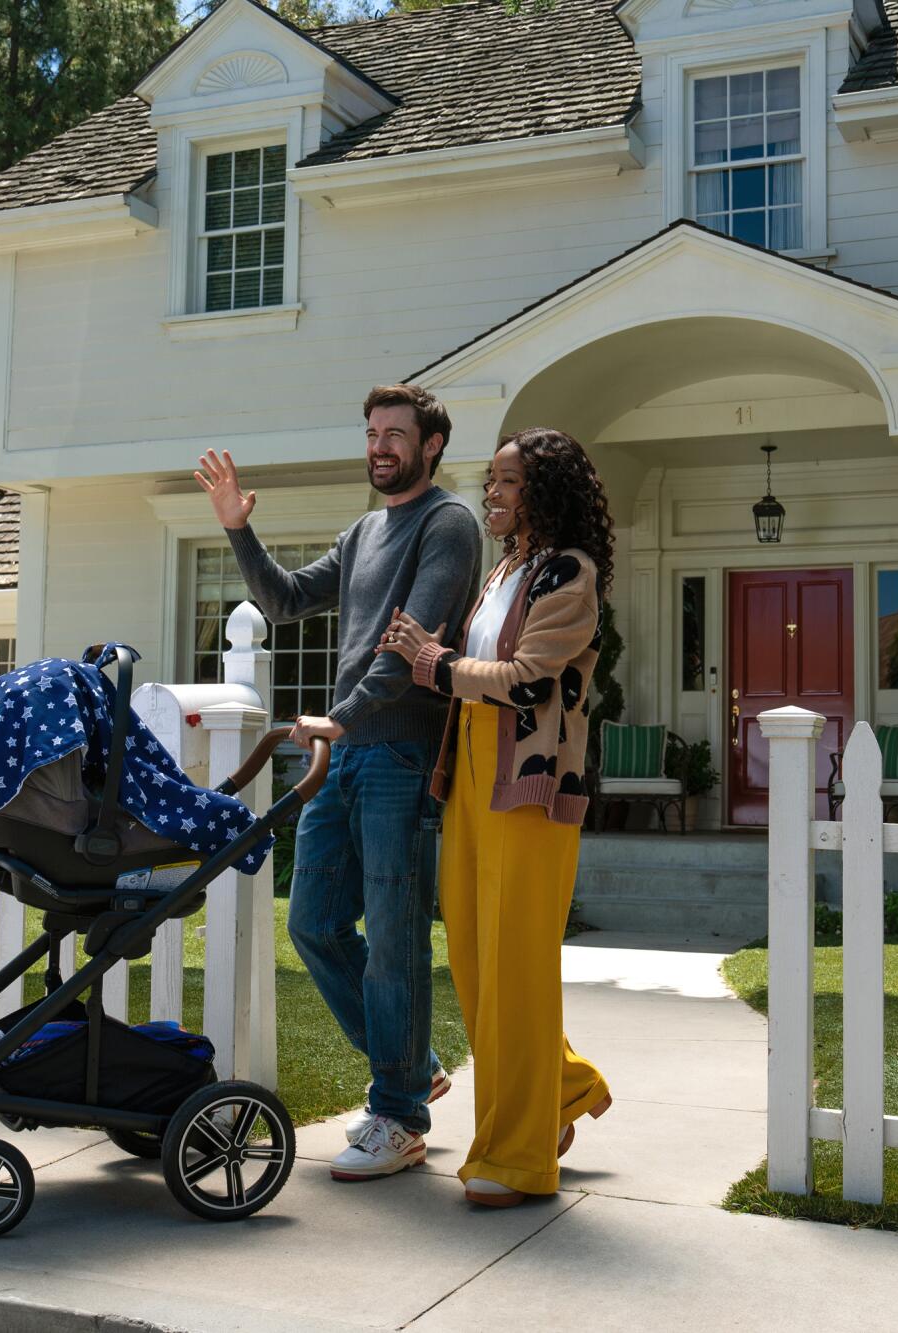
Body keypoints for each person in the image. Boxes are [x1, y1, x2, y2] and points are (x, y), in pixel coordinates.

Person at [194, 384, 483, 1181]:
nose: (380, 446)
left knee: (393, 938)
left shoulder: (447, 524)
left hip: (397, 754)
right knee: (315, 921)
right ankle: (411, 1062)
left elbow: (407, 646)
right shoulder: (364, 531)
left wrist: (343, 716)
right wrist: (235, 526)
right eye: (371, 433)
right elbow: (283, 603)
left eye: (396, 434)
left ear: (430, 446)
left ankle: (398, 1116)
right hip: (348, 749)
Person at [378, 426, 614, 1208]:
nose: (493, 494)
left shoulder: (570, 575)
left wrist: (435, 662)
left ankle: (515, 1156)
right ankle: (564, 1087)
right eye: (493, 481)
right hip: (474, 767)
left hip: (530, 784)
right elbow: (473, 672)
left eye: (508, 482)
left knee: (515, 964)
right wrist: (427, 648)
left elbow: (523, 681)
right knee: (478, 960)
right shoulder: (507, 570)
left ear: (542, 491)